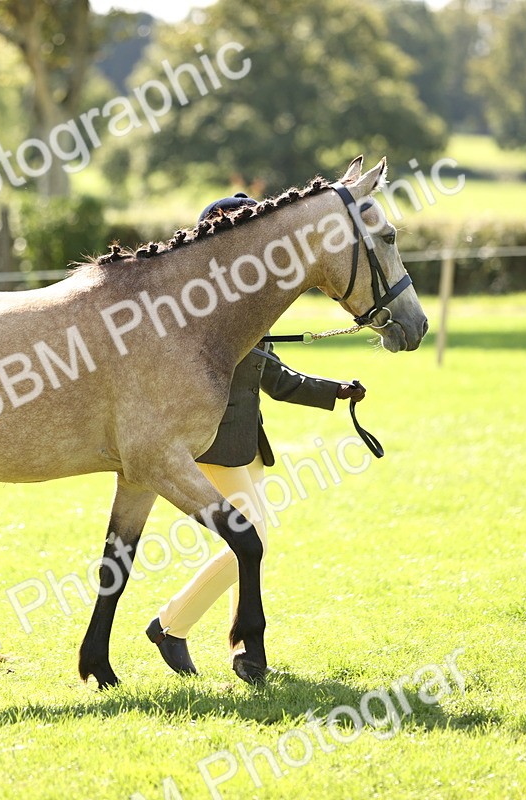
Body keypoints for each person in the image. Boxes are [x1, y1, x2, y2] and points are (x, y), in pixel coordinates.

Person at [144, 193, 367, 676]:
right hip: (214, 449)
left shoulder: (246, 306)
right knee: (252, 540)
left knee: (246, 548)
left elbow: (276, 378)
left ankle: (242, 652)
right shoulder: (201, 314)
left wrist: (336, 391)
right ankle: (170, 626)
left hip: (249, 447)